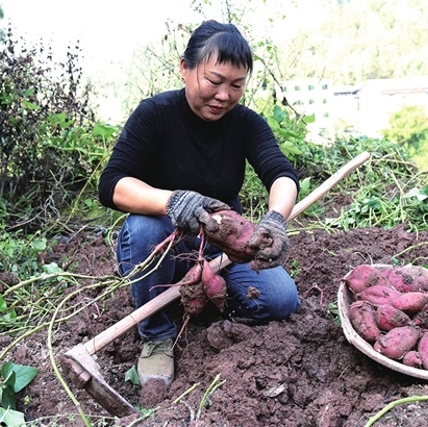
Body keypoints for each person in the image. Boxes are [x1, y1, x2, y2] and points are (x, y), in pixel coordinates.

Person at [98, 20, 300, 388]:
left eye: (236, 85)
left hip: (219, 249)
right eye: (214, 81)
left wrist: (274, 219)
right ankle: (157, 334)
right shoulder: (155, 115)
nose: (224, 95)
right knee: (146, 226)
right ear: (185, 69)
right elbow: (112, 184)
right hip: (161, 244)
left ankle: (206, 300)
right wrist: (173, 201)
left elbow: (281, 173)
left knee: (280, 299)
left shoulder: (244, 124)